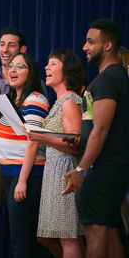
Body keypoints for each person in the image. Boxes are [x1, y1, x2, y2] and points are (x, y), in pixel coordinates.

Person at [62, 18, 129, 258]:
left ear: (108, 45)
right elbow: (96, 127)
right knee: (109, 231)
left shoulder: (109, 79)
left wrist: (81, 169)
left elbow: (102, 129)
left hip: (103, 167)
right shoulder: (114, 77)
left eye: (91, 41)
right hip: (113, 166)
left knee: (95, 230)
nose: (85, 47)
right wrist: (81, 137)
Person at [24, 49, 85, 258]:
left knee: (68, 237)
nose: (46, 68)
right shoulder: (60, 101)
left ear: (67, 71)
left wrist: (40, 137)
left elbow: (76, 146)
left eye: (53, 64)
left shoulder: (70, 102)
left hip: (65, 172)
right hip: (53, 173)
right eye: (47, 64)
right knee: (54, 236)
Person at [0, 52, 49, 258]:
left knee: (22, 243)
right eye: (10, 66)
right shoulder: (11, 100)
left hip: (25, 174)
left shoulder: (35, 99)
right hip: (10, 175)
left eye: (20, 66)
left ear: (31, 71)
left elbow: (33, 140)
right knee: (16, 240)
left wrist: (22, 180)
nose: (13, 70)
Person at [0, 27, 27, 94]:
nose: (5, 50)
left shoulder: (32, 81)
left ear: (22, 49)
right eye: (2, 45)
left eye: (11, 45)